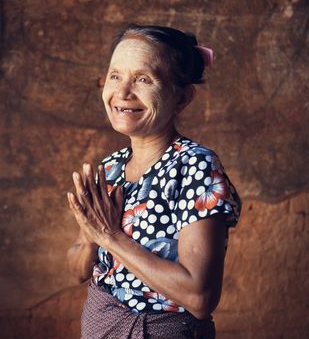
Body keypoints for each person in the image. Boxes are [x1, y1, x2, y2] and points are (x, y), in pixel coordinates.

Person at [66, 24, 242, 339]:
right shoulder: (109, 168)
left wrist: (109, 236)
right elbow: (79, 270)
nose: (122, 93)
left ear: (182, 97)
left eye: (144, 79)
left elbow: (200, 298)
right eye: (115, 76)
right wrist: (92, 233)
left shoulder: (195, 167)